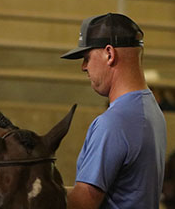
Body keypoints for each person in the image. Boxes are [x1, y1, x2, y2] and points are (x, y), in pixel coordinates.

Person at [61, 13, 167, 209]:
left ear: (109, 54)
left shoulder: (114, 123)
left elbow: (82, 204)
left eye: (86, 57)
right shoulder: (151, 109)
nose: (84, 67)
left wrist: (31, 189)